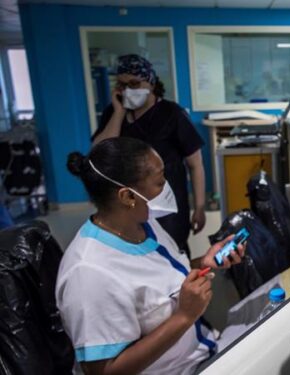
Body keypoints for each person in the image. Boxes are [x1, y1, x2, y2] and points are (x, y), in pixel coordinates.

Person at [58, 137, 245, 374]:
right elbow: (103, 371)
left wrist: (205, 262)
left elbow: (162, 278)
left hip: (200, 350)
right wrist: (184, 316)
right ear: (127, 197)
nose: (167, 187)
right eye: (159, 181)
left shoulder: (142, 223)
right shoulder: (89, 274)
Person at [93, 54, 205, 258]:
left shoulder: (173, 114)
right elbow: (98, 152)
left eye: (135, 84)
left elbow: (195, 164)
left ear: (151, 83)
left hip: (167, 203)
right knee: (138, 255)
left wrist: (199, 206)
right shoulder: (114, 113)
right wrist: (119, 113)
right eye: (122, 85)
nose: (128, 90)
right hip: (128, 204)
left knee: (172, 251)